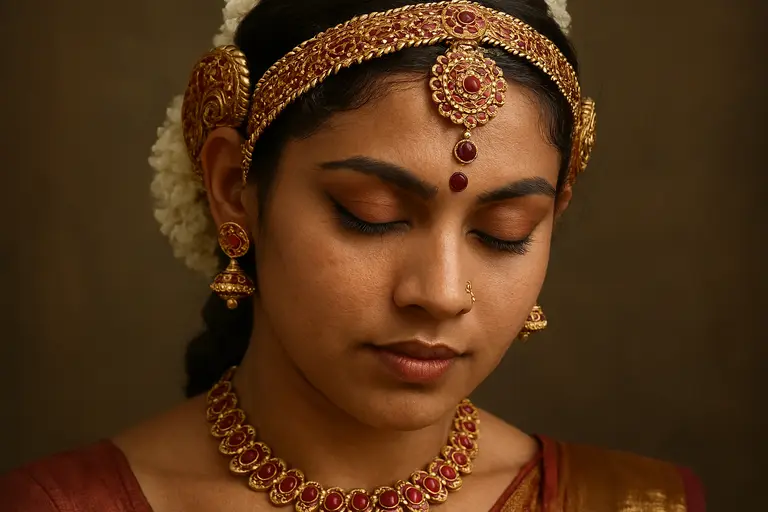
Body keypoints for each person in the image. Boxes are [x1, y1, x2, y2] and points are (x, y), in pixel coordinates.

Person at [0, 0, 705, 510]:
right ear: (232, 190)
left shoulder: (635, 502)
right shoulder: (65, 502)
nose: (440, 291)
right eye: (373, 216)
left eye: (504, 230)